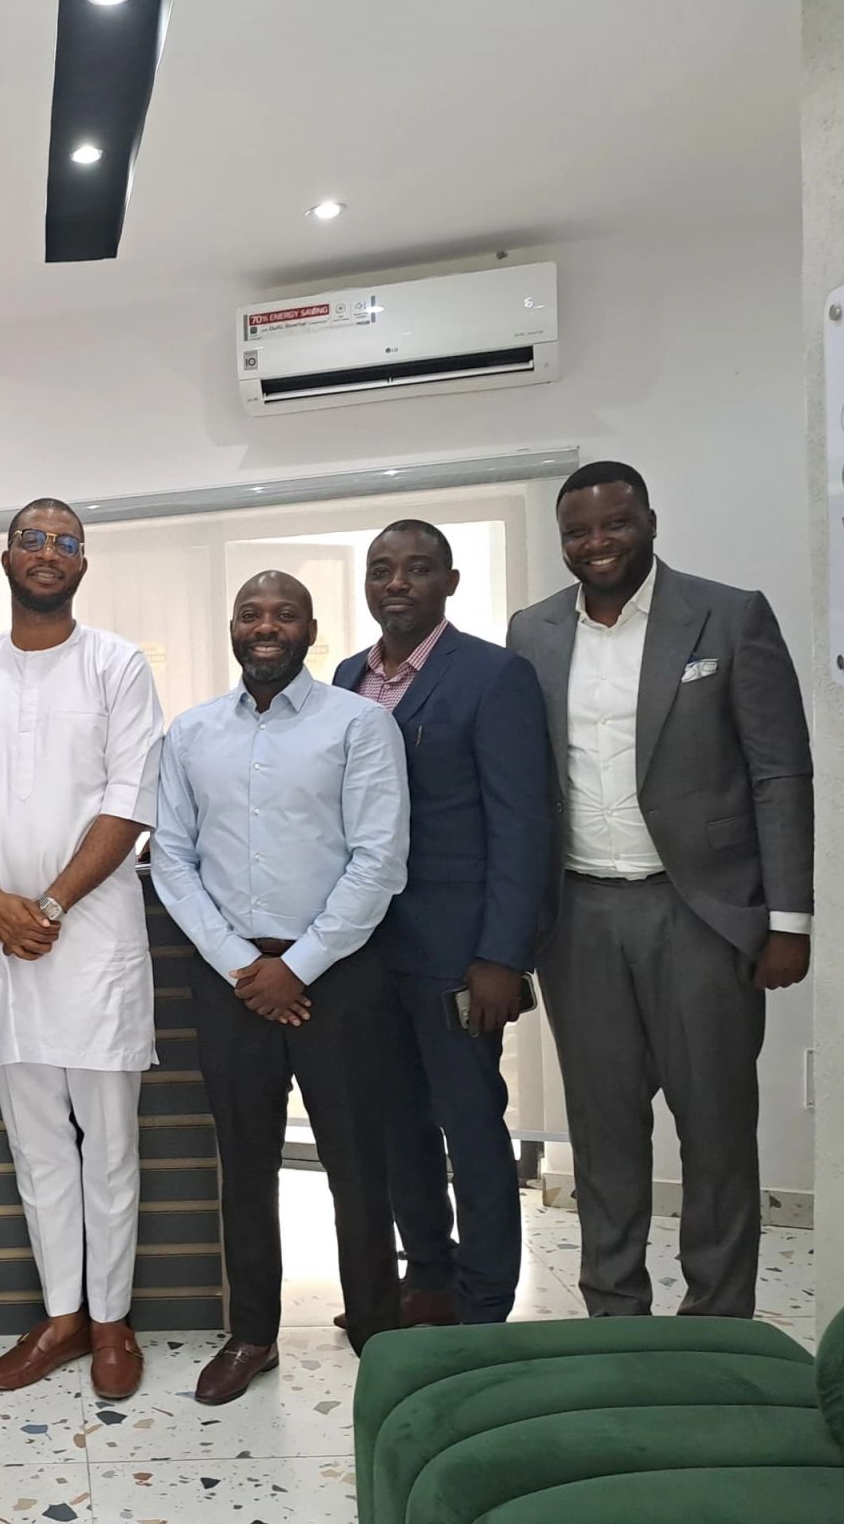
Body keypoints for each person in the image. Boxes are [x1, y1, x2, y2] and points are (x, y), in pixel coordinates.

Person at [508, 461, 815, 1319]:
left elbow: (779, 774)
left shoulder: (728, 614)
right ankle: (615, 1313)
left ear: (649, 520)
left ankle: (718, 1321)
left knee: (715, 1127)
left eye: (614, 524)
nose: (597, 544)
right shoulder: (531, 632)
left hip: (702, 914)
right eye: (578, 531)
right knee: (604, 1132)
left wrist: (786, 921)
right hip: (579, 917)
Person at [152, 571, 410, 1403]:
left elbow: (380, 860)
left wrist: (294, 969)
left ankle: (377, 1327)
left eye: (284, 615)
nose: (267, 627)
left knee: (356, 1162)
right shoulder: (190, 734)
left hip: (337, 974)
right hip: (230, 981)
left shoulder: (361, 725)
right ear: (233, 628)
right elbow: (174, 861)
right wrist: (242, 965)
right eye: (252, 614)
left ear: (310, 630)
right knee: (245, 1163)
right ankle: (252, 1334)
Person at [0, 499, 164, 1404]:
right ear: (5, 558)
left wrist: (55, 902)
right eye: (33, 539)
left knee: (108, 1146)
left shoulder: (117, 665)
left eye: (66, 543)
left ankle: (112, 1321)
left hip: (93, 936)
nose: (48, 553)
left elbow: (130, 797)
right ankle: (61, 1316)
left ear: (83, 565)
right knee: (36, 1150)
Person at [331, 521, 552, 1329]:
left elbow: (522, 824)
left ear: (449, 583)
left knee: (471, 1125)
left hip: (458, 953)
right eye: (382, 570)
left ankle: (485, 1297)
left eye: (417, 569)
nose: (397, 584)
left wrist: (502, 955)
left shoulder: (494, 677)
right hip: (367, 949)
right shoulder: (349, 676)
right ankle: (426, 1274)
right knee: (396, 1124)